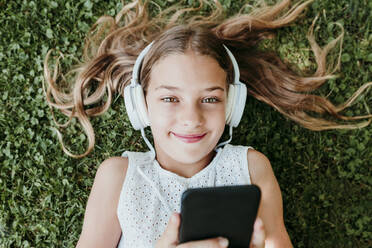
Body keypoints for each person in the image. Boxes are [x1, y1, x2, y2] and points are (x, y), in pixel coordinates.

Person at [43, 0, 372, 247]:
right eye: (170, 98)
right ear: (140, 106)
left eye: (211, 99)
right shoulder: (118, 177)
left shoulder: (252, 168)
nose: (191, 118)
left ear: (232, 106)